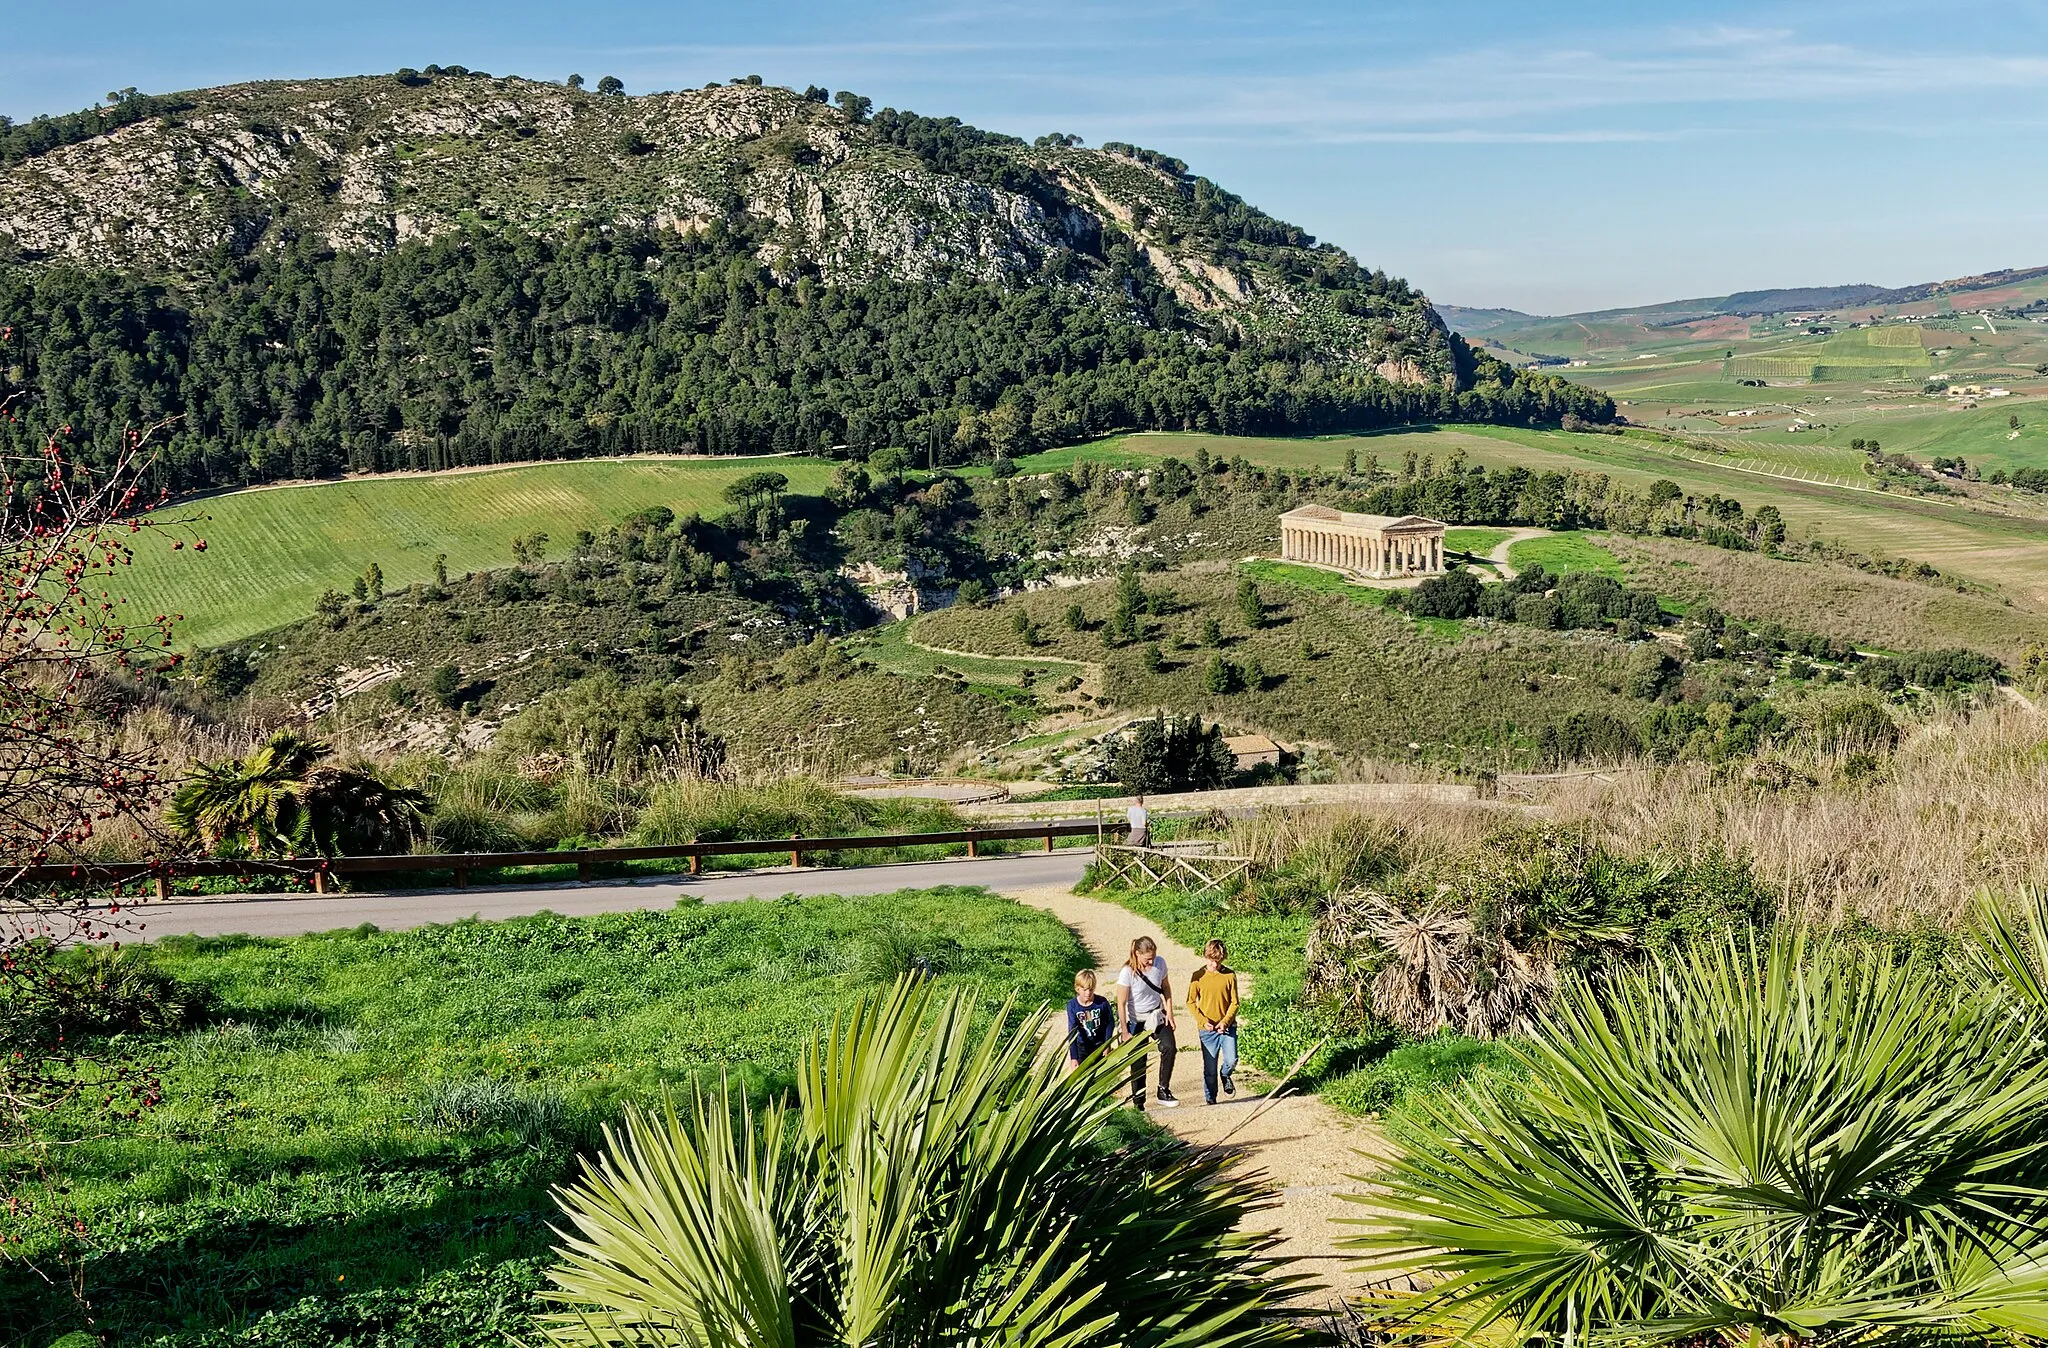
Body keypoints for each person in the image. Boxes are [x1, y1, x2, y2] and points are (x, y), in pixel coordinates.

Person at [1115, 936, 1178, 1108]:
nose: (1151, 961)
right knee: (1138, 1062)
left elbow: (1166, 988)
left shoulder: (1160, 963)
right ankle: (1139, 1102)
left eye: (1153, 957)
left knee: (1169, 1047)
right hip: (1137, 1019)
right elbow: (1121, 1003)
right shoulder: (1127, 972)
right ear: (1137, 954)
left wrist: (1170, 1013)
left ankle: (1163, 1089)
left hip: (1156, 1014)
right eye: (1147, 958)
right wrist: (1125, 1031)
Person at [1186, 938, 1240, 1106]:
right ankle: (1211, 1097)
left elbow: (1235, 1002)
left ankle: (1225, 1074)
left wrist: (1225, 1021)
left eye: (1218, 960)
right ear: (1205, 957)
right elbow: (1190, 1002)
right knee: (1209, 1068)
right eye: (1211, 960)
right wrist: (1203, 1020)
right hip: (1207, 1030)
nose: (1215, 964)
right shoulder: (1198, 976)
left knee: (1231, 1059)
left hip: (1227, 1027)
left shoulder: (1230, 975)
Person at [1065, 969, 1115, 1073]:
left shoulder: (1102, 1003)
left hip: (1099, 1045)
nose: (1088, 993)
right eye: (1085, 989)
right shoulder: (1072, 1006)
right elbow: (1072, 1031)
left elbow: (1110, 1022)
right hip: (1082, 1047)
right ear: (1077, 988)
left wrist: (1107, 1044)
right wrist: (1074, 1057)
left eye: (1091, 989)